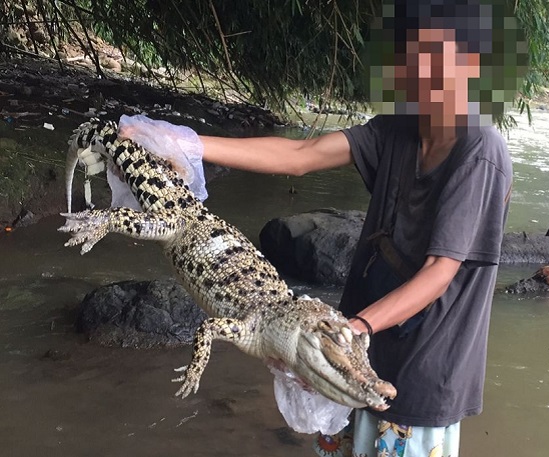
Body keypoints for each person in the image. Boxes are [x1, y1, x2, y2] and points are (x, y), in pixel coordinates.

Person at [125, 1, 515, 455]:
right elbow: (301, 156)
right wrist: (186, 143)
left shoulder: (480, 151)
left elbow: (439, 271)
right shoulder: (398, 129)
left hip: (422, 362)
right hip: (352, 346)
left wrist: (354, 329)